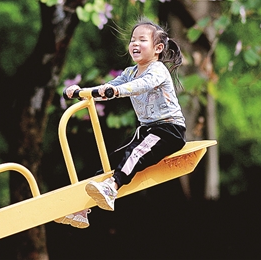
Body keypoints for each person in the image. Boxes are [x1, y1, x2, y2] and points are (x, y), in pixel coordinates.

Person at [55, 18, 186, 229]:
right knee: (111, 161)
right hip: (146, 131)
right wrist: (82, 92)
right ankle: (81, 208)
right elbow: (108, 87)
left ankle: (112, 188)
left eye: (142, 40)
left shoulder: (157, 70)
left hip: (169, 130)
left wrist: (117, 91)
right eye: (132, 40)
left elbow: (141, 86)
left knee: (135, 154)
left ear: (158, 48)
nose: (134, 44)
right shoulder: (129, 72)